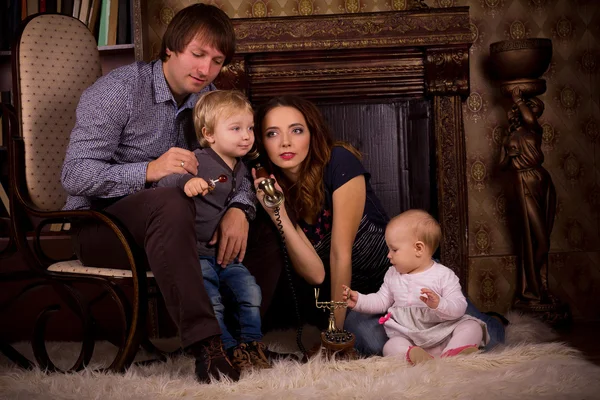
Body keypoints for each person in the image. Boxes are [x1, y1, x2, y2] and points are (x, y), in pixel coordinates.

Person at [61, 4, 252, 383]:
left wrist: (240, 209)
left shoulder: (210, 98)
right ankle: (207, 345)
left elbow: (238, 164)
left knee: (258, 209)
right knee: (169, 200)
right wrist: (149, 170)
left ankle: (247, 339)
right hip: (102, 227)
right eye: (197, 55)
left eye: (216, 61)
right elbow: (74, 175)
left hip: (179, 229)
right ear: (171, 48)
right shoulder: (118, 91)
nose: (205, 70)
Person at [251, 95, 507, 356]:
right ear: (262, 142)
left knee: (488, 335)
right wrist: (277, 210)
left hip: (409, 277)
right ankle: (427, 349)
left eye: (296, 130)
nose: (285, 142)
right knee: (371, 341)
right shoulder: (281, 193)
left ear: (312, 134)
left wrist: (333, 337)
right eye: (272, 133)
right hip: (362, 298)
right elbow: (316, 274)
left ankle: (485, 324)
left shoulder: (339, 162)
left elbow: (340, 254)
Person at [157, 90, 270, 371]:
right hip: (195, 252)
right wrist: (184, 182)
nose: (246, 136)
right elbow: (162, 182)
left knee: (250, 292)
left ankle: (251, 343)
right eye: (235, 129)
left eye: (250, 128)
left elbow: (244, 193)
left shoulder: (242, 167)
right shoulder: (198, 159)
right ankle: (227, 347)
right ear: (209, 134)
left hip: (223, 253)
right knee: (212, 302)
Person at [342, 210, 488, 364]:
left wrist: (439, 304)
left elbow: (459, 306)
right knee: (390, 346)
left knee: (472, 327)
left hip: (443, 334)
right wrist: (359, 301)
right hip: (410, 338)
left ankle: (453, 353)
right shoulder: (392, 275)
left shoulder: (444, 275)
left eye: (394, 249)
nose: (388, 255)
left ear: (418, 249)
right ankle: (415, 357)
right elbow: (381, 300)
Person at [500, 87, 557, 306]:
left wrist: (519, 101)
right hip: (522, 180)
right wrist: (510, 157)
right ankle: (531, 288)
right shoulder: (510, 137)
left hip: (542, 180)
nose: (531, 114)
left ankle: (540, 287)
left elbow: (531, 121)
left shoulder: (534, 131)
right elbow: (501, 165)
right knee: (538, 239)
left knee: (543, 234)